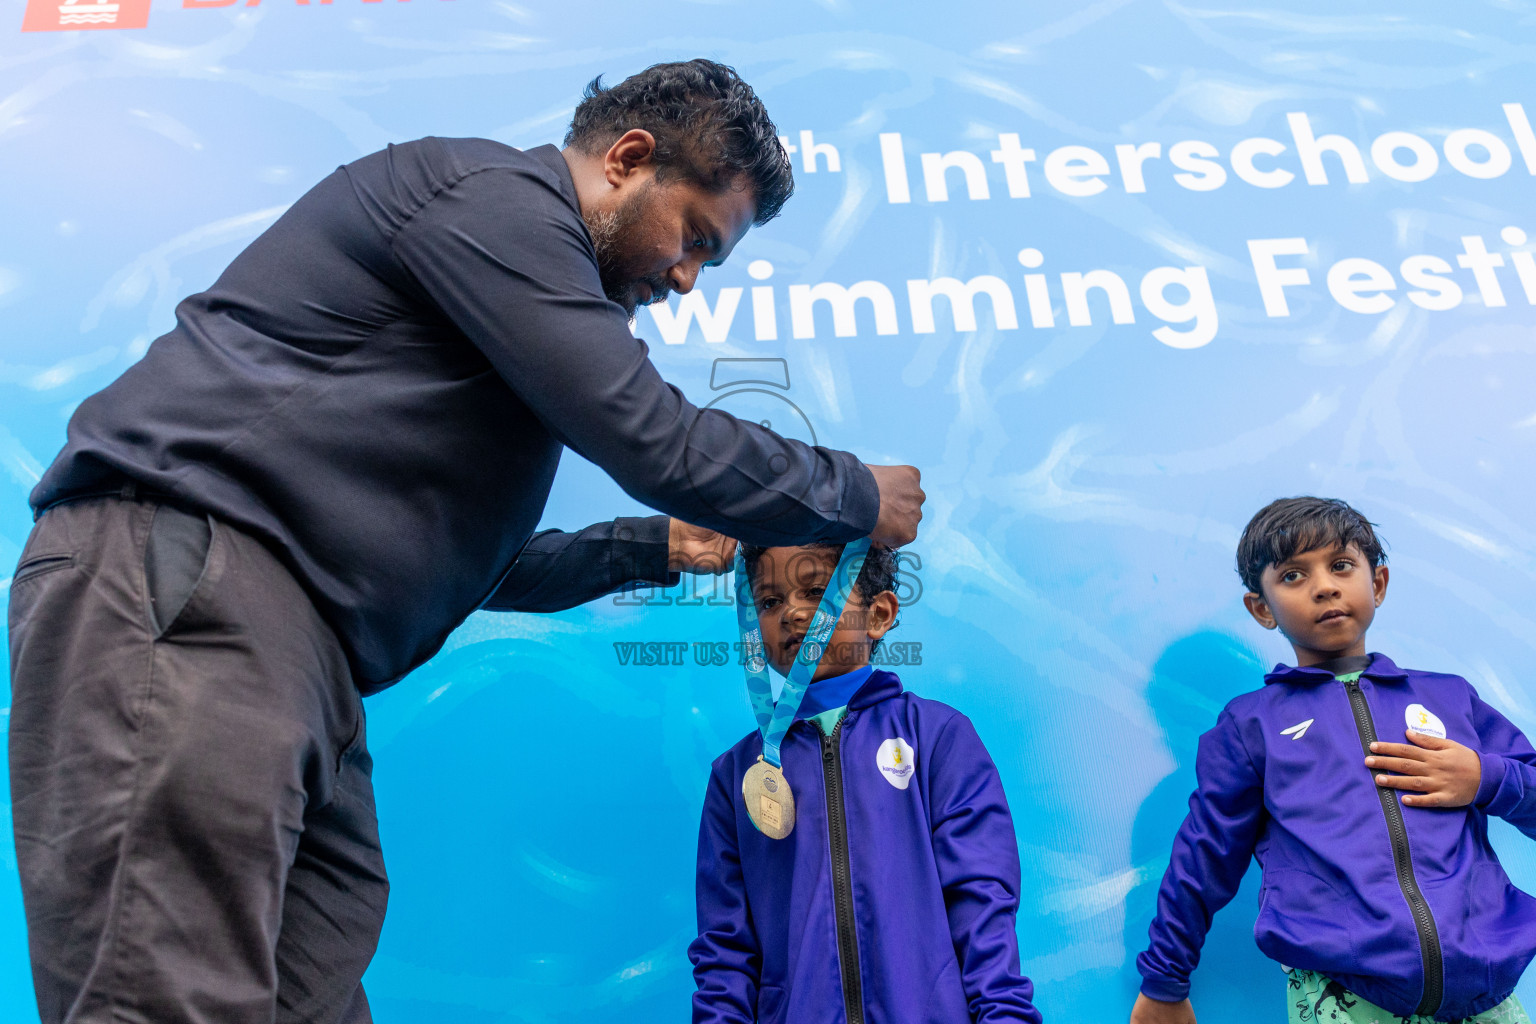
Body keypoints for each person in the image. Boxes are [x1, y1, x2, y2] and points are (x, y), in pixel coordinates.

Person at [7, 60, 926, 1024]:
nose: (687, 278)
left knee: (307, 996)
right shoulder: (494, 202)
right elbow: (652, 434)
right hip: (192, 589)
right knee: (165, 1000)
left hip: (293, 652)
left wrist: (646, 548)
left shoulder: (496, 301)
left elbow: (472, 567)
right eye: (694, 236)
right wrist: (852, 492)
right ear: (628, 158)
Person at [1131, 497, 1536, 1024]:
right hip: (1341, 999)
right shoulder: (1252, 726)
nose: (1324, 585)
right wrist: (1164, 980)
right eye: (1294, 575)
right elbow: (1203, 858)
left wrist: (1486, 777)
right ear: (1262, 608)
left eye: (1341, 566)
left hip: (1485, 993)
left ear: (1379, 583)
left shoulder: (1450, 699)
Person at [690, 542, 1041, 1023]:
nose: (791, 612)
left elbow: (982, 903)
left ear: (878, 615)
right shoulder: (736, 776)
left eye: (815, 590)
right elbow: (725, 949)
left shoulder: (937, 737)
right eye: (769, 601)